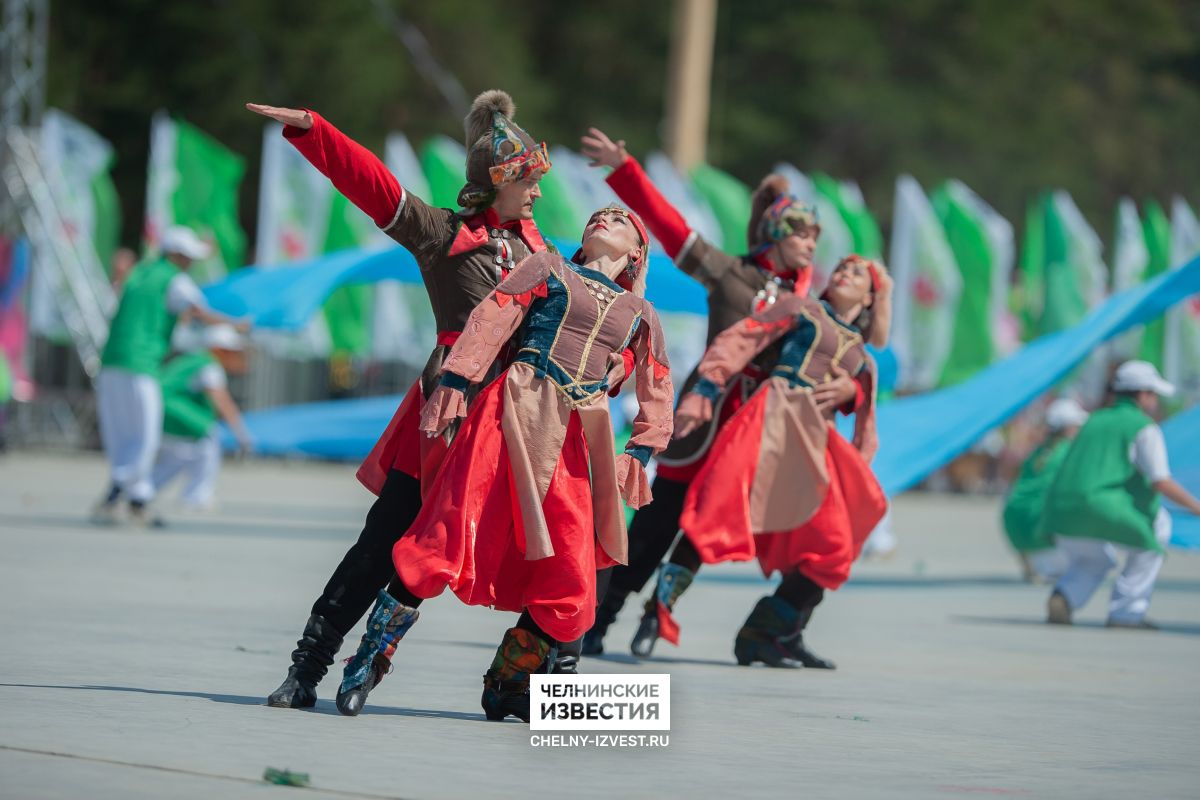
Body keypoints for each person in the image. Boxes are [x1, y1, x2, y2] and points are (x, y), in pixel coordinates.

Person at [248, 91, 558, 711]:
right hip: (449, 412)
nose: (538, 193)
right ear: (498, 181)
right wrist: (315, 130)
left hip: (519, 419)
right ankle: (308, 667)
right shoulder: (443, 234)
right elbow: (375, 186)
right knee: (382, 542)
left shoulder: (538, 250)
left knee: (558, 550)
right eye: (529, 180)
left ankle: (525, 686)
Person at [335, 206, 672, 721]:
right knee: (445, 536)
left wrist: (641, 449)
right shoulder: (548, 267)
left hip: (574, 438)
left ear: (636, 252)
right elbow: (493, 316)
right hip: (510, 410)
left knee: (569, 571)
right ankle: (367, 662)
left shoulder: (641, 314)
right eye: (597, 215)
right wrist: (455, 381)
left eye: (619, 220)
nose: (604, 219)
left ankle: (509, 683)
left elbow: (656, 382)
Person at [577, 128, 872, 656]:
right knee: (655, 526)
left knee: (702, 535)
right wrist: (625, 170)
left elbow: (849, 349)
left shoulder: (809, 302)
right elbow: (672, 229)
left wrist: (851, 386)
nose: (812, 244)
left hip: (755, 433)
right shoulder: (731, 275)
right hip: (702, 417)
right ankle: (601, 619)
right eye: (803, 234)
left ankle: (659, 616)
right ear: (778, 234)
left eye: (814, 236)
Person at [657, 255, 891, 668]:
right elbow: (740, 339)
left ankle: (770, 631)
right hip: (773, 417)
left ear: (872, 297)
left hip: (816, 443)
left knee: (834, 547)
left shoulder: (864, 361)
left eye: (857, 273)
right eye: (840, 267)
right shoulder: (801, 308)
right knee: (719, 511)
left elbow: (867, 429)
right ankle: (658, 608)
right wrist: (705, 389)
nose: (842, 273)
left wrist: (850, 395)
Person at [91, 226, 245, 525]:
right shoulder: (174, 278)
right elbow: (198, 311)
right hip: (141, 362)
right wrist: (235, 325)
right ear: (174, 255)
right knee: (145, 435)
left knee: (121, 433)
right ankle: (132, 499)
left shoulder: (139, 272)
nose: (190, 264)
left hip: (111, 360)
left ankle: (123, 497)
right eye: (187, 257)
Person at [1044, 361, 1200, 629]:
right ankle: (1127, 613)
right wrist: (1196, 507)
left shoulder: (1093, 420)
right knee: (1156, 530)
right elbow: (1160, 481)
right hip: (1101, 506)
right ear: (1142, 395)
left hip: (1059, 510)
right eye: (1153, 395)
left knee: (1095, 558)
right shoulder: (1143, 426)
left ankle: (1066, 596)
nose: (1155, 402)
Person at [149, 323, 253, 518]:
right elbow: (220, 399)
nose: (233, 356)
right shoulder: (209, 365)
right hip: (175, 410)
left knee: (176, 457)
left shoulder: (191, 359)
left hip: (160, 410)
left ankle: (141, 493)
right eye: (229, 351)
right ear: (216, 348)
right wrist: (242, 434)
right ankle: (196, 497)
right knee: (210, 437)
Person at [1001, 397, 1089, 582]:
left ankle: (1031, 563)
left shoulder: (1039, 451)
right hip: (1042, 528)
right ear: (1069, 428)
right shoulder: (1070, 451)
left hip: (1014, 522)